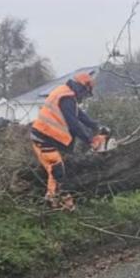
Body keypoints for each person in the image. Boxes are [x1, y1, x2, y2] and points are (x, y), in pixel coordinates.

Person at [30, 72, 107, 211]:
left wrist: (96, 126)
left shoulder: (66, 95)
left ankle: (53, 200)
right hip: (44, 137)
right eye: (86, 93)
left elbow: (80, 116)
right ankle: (61, 202)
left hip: (45, 136)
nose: (84, 97)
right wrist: (90, 140)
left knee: (54, 170)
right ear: (82, 88)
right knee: (57, 168)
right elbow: (73, 124)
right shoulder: (66, 98)